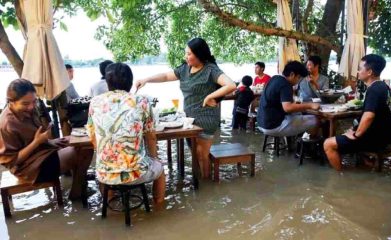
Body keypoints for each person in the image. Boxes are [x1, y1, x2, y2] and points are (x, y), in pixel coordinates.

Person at [135, 37, 236, 178]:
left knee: (202, 155)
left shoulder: (210, 70)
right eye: (186, 53)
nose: (186, 56)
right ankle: (202, 183)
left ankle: (207, 186)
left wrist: (209, 97)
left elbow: (231, 85)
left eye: (189, 54)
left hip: (206, 119)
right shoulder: (184, 69)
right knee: (195, 155)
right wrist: (146, 80)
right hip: (188, 120)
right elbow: (165, 76)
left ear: (199, 54)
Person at [87, 63, 166, 204]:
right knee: (160, 170)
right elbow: (151, 136)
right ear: (130, 82)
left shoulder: (95, 102)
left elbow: (92, 137)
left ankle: (110, 208)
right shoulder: (142, 101)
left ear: (107, 82)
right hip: (135, 173)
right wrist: (155, 158)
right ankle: (159, 209)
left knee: (104, 171)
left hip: (104, 173)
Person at [0, 79, 92, 200]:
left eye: (34, 101)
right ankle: (77, 191)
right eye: (25, 104)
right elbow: (11, 161)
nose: (31, 107)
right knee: (85, 150)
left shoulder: (28, 110)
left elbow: (31, 139)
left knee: (76, 138)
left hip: (41, 153)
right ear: (10, 102)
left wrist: (49, 142)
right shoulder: (7, 124)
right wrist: (36, 142)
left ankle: (80, 179)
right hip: (30, 169)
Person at [324, 54, 391, 171]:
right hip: (384, 135)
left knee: (328, 144)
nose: (358, 71)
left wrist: (356, 135)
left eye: (360, 68)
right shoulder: (383, 86)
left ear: (369, 72)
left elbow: (368, 117)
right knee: (347, 132)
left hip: (376, 139)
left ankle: (341, 178)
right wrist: (354, 130)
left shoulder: (374, 90)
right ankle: (364, 164)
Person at [257, 61, 320, 137]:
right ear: (292, 74)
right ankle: (308, 145)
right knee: (315, 120)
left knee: (298, 114)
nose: (298, 81)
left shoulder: (275, 78)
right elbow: (287, 108)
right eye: (298, 78)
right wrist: (310, 105)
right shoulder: (286, 84)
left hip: (261, 123)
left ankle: (301, 140)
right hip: (273, 126)